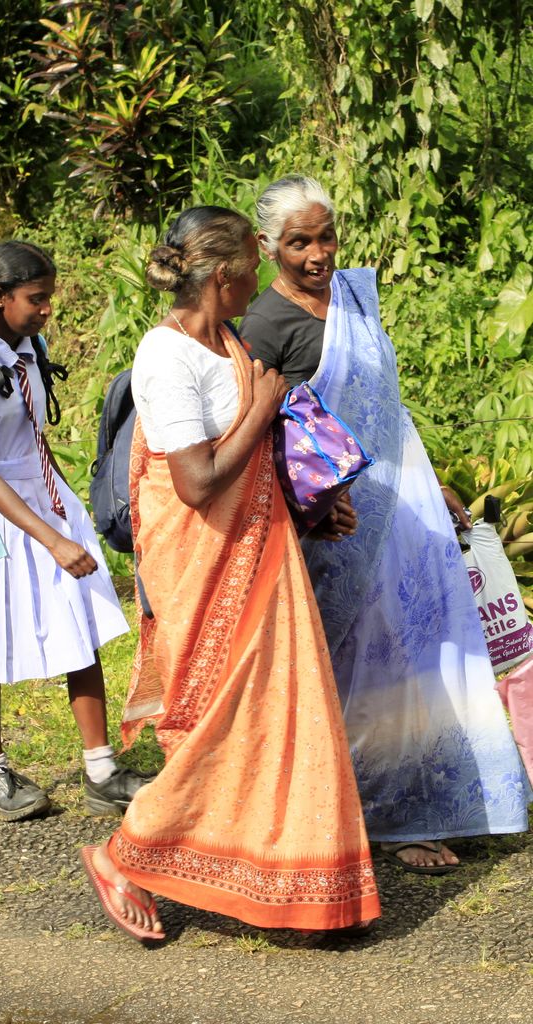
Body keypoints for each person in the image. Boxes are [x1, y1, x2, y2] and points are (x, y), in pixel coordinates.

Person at [81, 207, 381, 942]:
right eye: (257, 258)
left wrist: (314, 508)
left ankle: (290, 879)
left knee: (282, 720)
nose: (266, 269)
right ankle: (125, 854)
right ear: (223, 273)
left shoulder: (231, 343)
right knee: (221, 723)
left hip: (264, 556)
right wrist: (264, 405)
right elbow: (196, 481)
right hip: (206, 567)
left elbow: (257, 463)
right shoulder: (166, 355)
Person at [240, 175, 530, 873]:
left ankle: (434, 796)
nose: (317, 253)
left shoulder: (352, 299)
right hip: (334, 527)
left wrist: (435, 482)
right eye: (298, 241)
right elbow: (259, 437)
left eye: (326, 235)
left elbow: (388, 407)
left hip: (403, 507)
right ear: (267, 246)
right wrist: (308, 504)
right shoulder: (262, 328)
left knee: (422, 659)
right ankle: (383, 817)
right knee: (364, 670)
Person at [0, 240, 147, 821]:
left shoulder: (28, 347)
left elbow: (34, 442)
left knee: (78, 623)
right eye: (36, 299)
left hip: (42, 497)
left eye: (49, 297)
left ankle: (101, 769)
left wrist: (68, 512)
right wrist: (53, 540)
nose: (47, 309)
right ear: (0, 298)